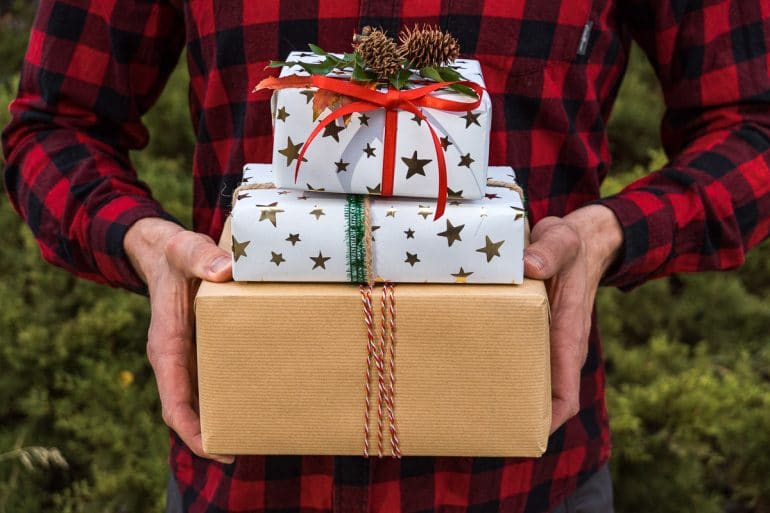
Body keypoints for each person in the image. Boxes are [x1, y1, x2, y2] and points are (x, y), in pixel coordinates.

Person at [3, 1, 769, 512]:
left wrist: (609, 231)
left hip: (533, 478)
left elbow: (751, 124)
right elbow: (56, 122)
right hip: (245, 474)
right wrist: (149, 244)